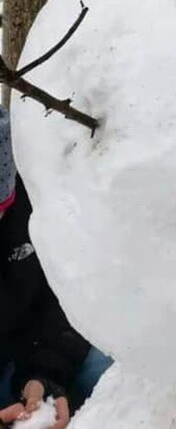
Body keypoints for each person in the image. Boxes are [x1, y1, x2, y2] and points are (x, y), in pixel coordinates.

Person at [0, 111, 112, 427]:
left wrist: (42, 378)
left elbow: (63, 293)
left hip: (27, 357)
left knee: (115, 365)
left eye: (2, 205)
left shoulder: (35, 200)